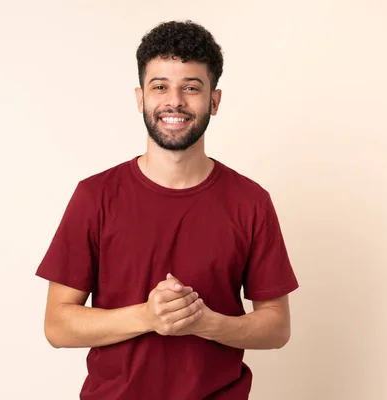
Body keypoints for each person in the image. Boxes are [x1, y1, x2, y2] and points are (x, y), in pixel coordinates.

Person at [35, 20, 299, 400]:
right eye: (160, 86)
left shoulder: (251, 202)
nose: (174, 101)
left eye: (191, 88)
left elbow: (277, 327)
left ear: (214, 100)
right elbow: (57, 325)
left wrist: (206, 323)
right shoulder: (95, 196)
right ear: (141, 98)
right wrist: (147, 316)